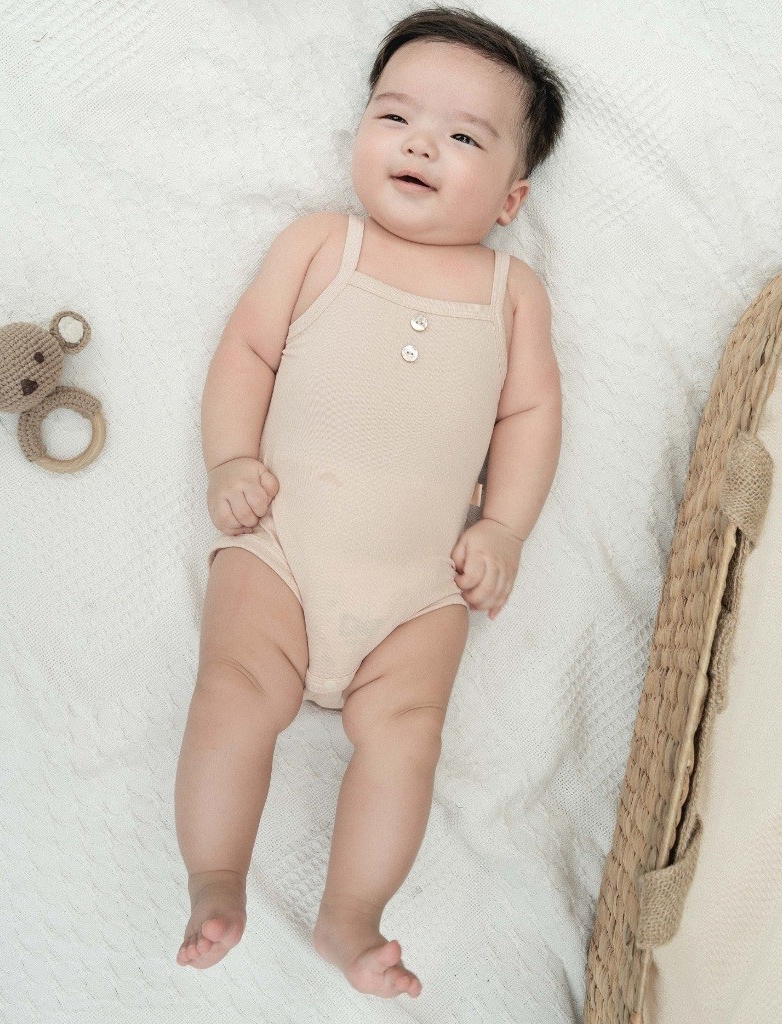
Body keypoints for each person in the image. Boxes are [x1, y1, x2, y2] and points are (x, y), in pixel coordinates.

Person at [174, 5, 567, 999]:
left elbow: (529, 415)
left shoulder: (511, 291)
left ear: (511, 196)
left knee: (407, 733)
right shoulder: (320, 245)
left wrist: (504, 527)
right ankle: (215, 874)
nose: (420, 144)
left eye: (463, 136)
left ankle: (351, 915)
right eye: (395, 117)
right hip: (280, 547)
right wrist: (229, 460)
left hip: (417, 588)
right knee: (232, 691)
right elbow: (246, 351)